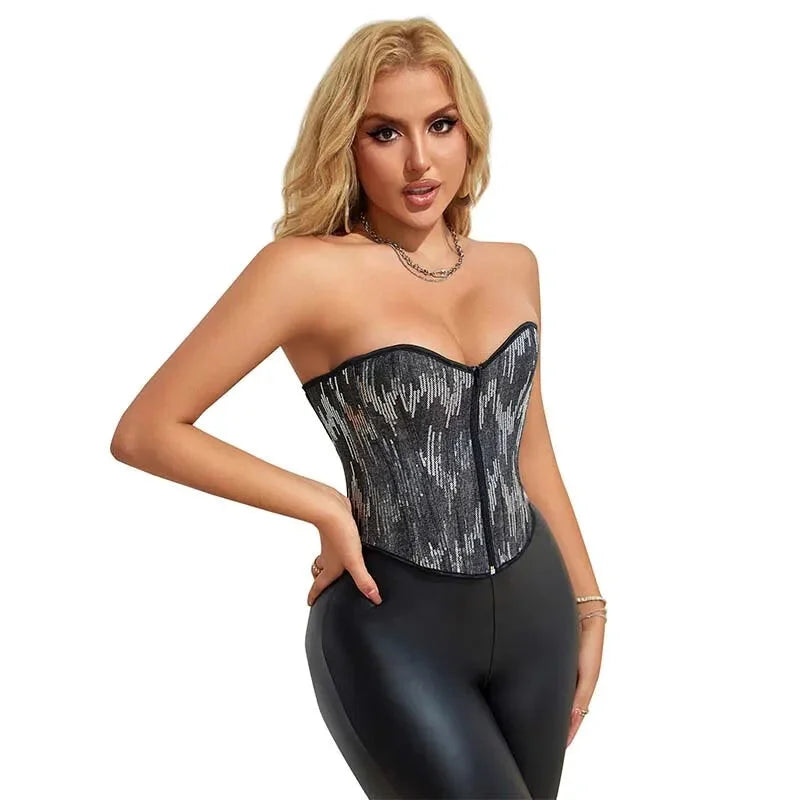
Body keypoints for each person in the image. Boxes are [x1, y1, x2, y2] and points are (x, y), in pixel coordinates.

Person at [110, 16, 606, 800]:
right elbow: (146, 431)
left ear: (470, 132)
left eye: (440, 125)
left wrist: (589, 601)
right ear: (347, 143)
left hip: (537, 614)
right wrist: (324, 506)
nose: (419, 161)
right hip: (394, 626)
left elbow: (530, 450)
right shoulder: (302, 272)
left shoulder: (514, 267)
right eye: (385, 133)